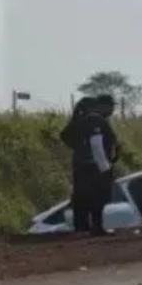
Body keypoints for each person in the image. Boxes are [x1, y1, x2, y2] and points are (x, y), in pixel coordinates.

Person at [60, 97, 95, 232]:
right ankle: (83, 224)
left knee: (82, 193)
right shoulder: (84, 121)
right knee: (85, 194)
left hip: (81, 160)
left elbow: (64, 135)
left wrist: (76, 146)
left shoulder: (77, 120)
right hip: (85, 161)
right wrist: (78, 146)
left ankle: (82, 223)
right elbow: (64, 135)